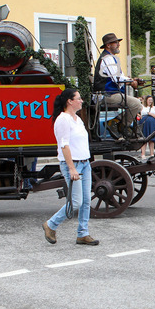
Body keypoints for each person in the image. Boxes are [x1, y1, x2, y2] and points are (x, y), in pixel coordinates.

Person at [43, 88, 98, 246]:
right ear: (70, 101)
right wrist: (72, 168)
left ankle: (83, 233)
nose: (81, 101)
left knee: (86, 201)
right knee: (76, 201)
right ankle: (51, 224)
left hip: (84, 163)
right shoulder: (63, 119)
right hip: (73, 164)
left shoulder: (77, 119)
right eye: (79, 98)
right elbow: (64, 145)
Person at [95, 33, 142, 138]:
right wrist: (131, 82)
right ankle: (121, 125)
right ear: (108, 45)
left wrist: (132, 80)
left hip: (109, 93)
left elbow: (120, 77)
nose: (118, 45)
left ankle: (117, 123)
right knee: (136, 103)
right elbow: (117, 78)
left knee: (135, 103)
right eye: (115, 42)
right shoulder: (107, 58)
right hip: (106, 94)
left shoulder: (110, 58)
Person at [138, 95, 155, 160]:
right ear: (146, 100)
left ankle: (152, 154)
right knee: (144, 139)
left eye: (151, 100)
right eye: (149, 100)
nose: (150, 101)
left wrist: (151, 114)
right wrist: (140, 116)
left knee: (152, 139)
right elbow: (136, 112)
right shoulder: (142, 107)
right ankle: (143, 154)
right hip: (144, 124)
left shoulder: (154, 107)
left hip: (152, 124)